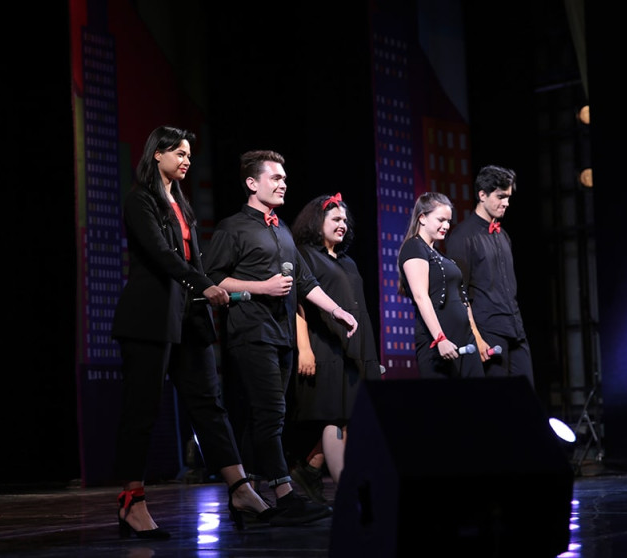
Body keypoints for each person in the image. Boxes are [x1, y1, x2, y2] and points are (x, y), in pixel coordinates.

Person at [111, 126, 273, 538]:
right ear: (157, 154)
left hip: (189, 318)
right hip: (149, 319)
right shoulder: (140, 200)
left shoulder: (181, 204)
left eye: (188, 154)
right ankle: (132, 502)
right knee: (142, 411)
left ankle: (239, 488)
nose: (186, 160)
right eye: (179, 153)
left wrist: (206, 291)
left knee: (209, 405)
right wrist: (204, 285)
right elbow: (161, 255)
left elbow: (192, 259)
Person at [202, 150, 358, 526]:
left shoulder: (281, 228)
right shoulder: (233, 227)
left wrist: (337, 310)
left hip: (281, 333)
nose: (283, 183)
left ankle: (247, 492)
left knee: (267, 414)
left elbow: (305, 281)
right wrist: (261, 287)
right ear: (252, 183)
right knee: (270, 413)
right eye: (275, 178)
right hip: (251, 332)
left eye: (284, 178)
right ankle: (284, 495)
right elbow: (211, 278)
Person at [287, 192, 382, 504]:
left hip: (354, 347)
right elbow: (298, 305)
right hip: (325, 345)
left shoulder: (347, 261)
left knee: (354, 415)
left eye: (345, 220)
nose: (343, 224)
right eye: (335, 219)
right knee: (335, 416)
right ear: (318, 222)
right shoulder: (305, 255)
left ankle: (310, 468)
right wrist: (304, 348)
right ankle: (347, 490)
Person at [444, 164, 534, 385]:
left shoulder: (503, 235)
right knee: (498, 397)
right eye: (501, 196)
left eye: (508, 197)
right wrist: (476, 336)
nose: (506, 203)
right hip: (488, 329)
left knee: (526, 394)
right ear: (482, 195)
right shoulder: (462, 236)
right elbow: (459, 292)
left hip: (515, 327)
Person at [397, 192, 486, 379]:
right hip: (439, 341)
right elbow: (421, 296)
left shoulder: (439, 254)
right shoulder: (414, 247)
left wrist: (476, 336)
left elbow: (462, 299)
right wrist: (440, 338)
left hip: (465, 339)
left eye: (448, 221)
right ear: (422, 218)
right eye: (441, 220)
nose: (446, 226)